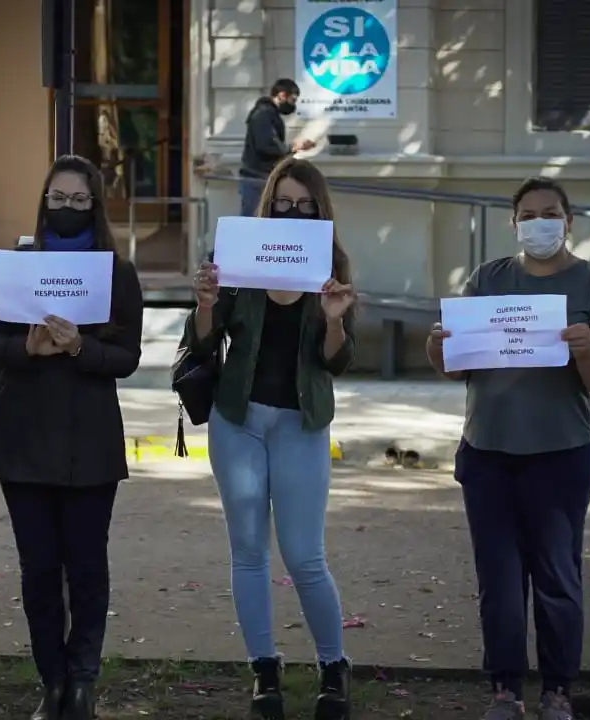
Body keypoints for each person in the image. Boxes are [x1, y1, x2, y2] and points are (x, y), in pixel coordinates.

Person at [426, 177, 590, 720]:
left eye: (551, 213)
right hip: (488, 449)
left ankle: (558, 688)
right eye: (528, 214)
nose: (539, 223)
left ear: (569, 221)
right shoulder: (487, 279)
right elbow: (456, 366)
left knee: (557, 574)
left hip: (561, 451)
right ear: (513, 223)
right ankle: (505, 688)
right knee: (497, 577)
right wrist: (436, 345)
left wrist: (586, 350)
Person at [0, 155, 143, 720]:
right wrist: (26, 349)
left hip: (89, 442)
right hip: (21, 437)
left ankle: (83, 682)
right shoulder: (21, 263)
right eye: (57, 198)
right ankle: (51, 679)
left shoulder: (117, 271)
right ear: (43, 201)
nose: (66, 209)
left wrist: (77, 348)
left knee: (87, 567)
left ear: (95, 205)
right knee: (39, 569)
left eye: (78, 200)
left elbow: (127, 357)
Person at [185, 157, 357, 720]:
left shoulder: (332, 265)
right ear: (268, 205)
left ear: (320, 208)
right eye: (281, 201)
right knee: (249, 553)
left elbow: (337, 361)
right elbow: (206, 346)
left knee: (305, 555)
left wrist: (334, 318)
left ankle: (334, 667)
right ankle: (265, 669)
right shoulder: (240, 255)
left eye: (304, 203)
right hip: (239, 418)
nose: (291, 211)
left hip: (302, 424)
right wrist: (206, 304)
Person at [240, 79, 316, 217]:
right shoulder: (264, 114)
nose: (293, 105)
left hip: (260, 177)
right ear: (282, 95)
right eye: (292, 100)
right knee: (253, 222)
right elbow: (267, 145)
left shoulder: (268, 113)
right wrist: (293, 147)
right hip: (257, 178)